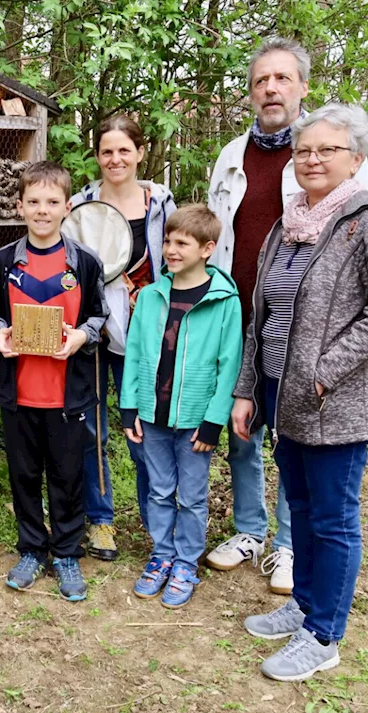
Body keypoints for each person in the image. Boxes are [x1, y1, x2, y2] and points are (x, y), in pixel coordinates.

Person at [232, 104, 368, 681]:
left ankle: (325, 635)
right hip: (283, 398)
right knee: (303, 510)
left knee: (334, 519)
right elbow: (260, 316)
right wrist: (247, 389)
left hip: (334, 404)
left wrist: (322, 371)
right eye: (304, 149)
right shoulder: (288, 227)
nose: (311, 159)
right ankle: (304, 605)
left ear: (356, 159)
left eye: (326, 150)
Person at [204, 37, 368, 595]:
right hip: (237, 314)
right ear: (250, 92)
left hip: (305, 325)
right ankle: (249, 529)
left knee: (295, 435)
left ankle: (288, 545)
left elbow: (358, 255)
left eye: (281, 78)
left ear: (302, 86)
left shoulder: (329, 153)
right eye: (260, 80)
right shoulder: (232, 156)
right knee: (243, 427)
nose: (270, 88)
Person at [0, 162, 108, 602]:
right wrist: (0, 334)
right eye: (33, 202)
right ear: (19, 207)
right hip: (19, 394)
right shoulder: (4, 261)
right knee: (24, 474)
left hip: (67, 395)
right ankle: (32, 548)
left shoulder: (85, 264)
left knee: (68, 475)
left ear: (67, 207)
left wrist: (79, 337)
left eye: (52, 202)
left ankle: (67, 552)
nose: (42, 210)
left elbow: (99, 316)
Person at [120, 205, 242, 608]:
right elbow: (135, 353)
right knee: (158, 490)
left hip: (193, 419)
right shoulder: (153, 295)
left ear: (207, 248)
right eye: (168, 241)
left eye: (182, 243)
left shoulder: (223, 301)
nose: (171, 250)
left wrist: (213, 421)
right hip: (152, 415)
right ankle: (162, 556)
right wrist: (129, 406)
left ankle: (186, 561)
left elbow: (230, 366)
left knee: (190, 495)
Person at [70, 114, 177, 561]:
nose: (115, 159)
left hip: (145, 336)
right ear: (97, 156)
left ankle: (160, 528)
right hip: (93, 333)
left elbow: (178, 265)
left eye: (123, 150)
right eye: (106, 151)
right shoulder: (80, 205)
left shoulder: (160, 203)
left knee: (144, 429)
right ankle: (101, 521)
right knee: (92, 432)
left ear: (139, 152)